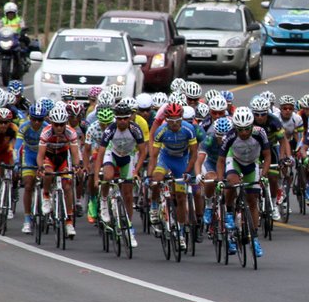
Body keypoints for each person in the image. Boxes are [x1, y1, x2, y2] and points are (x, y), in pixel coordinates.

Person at [217, 108, 271, 257]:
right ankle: (229, 212)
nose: (244, 132)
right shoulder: (230, 136)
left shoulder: (260, 133)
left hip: (252, 164)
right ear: (235, 127)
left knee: (252, 200)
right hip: (234, 161)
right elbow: (220, 161)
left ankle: (254, 238)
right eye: (240, 129)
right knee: (232, 183)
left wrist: (263, 175)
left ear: (252, 126)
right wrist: (221, 181)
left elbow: (267, 156)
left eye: (247, 129)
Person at [94, 102, 147, 245]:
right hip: (112, 154)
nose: (122, 121)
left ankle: (129, 228)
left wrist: (136, 171)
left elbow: (143, 152)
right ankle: (104, 200)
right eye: (119, 118)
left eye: (125, 118)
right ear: (115, 118)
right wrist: (95, 177)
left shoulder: (135, 129)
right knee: (108, 176)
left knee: (128, 196)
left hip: (127, 157)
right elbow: (101, 153)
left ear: (130, 118)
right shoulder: (110, 130)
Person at [148, 102, 199, 235]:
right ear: (166, 119)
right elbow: (154, 156)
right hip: (165, 159)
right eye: (171, 121)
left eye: (177, 120)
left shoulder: (189, 129)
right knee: (156, 180)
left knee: (181, 198)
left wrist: (187, 171)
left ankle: (181, 231)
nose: (175, 124)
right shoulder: (161, 131)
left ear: (182, 118)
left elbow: (194, 154)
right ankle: (154, 207)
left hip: (181, 161)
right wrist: (149, 175)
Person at [36, 104, 83, 238]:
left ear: (65, 123)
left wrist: (77, 166)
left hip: (62, 158)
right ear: (52, 123)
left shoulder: (70, 132)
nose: (59, 128)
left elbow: (75, 153)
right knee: (48, 173)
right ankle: (46, 195)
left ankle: (69, 222)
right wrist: (40, 168)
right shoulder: (46, 132)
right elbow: (40, 155)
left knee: (67, 187)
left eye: (62, 125)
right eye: (56, 125)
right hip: (49, 157)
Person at [17, 102, 48, 234]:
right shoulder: (24, 127)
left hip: (44, 155)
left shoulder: (47, 128)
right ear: (29, 117)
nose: (36, 122)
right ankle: (27, 219)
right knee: (28, 185)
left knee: (48, 180)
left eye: (39, 120)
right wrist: (16, 162)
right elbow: (17, 146)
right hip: (29, 155)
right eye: (34, 119)